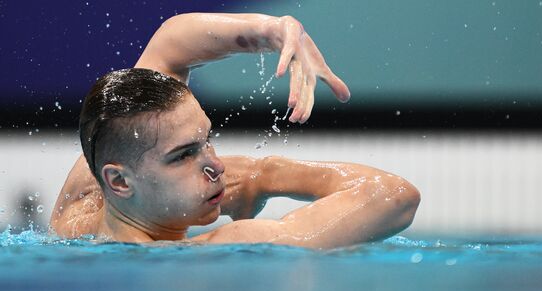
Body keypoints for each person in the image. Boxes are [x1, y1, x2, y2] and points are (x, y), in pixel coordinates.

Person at [49, 13, 420, 248]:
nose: (218, 166)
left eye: (207, 140)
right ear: (119, 182)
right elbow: (394, 197)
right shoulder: (214, 252)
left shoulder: (77, 211)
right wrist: (266, 175)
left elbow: (169, 42)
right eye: (183, 156)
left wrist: (272, 31)